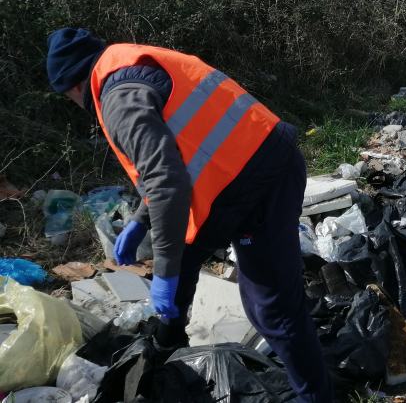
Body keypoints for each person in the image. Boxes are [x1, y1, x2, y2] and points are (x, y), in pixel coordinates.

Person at [45, 28, 332, 402]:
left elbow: (166, 181)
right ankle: (170, 339)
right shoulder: (128, 65)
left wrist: (163, 273)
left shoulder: (117, 97)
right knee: (198, 258)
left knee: (272, 308)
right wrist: (139, 220)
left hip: (261, 179)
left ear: (72, 85)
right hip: (244, 171)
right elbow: (177, 158)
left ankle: (317, 395)